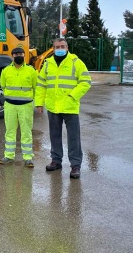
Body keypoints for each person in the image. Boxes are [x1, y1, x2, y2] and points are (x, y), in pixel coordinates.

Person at [35, 38, 92, 179]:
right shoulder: (48, 64)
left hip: (70, 106)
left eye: (62, 46)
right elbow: (41, 84)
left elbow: (86, 82)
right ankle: (56, 161)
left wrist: (73, 96)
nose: (59, 49)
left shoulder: (76, 62)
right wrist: (39, 103)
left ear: (67, 47)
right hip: (53, 106)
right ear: (53, 49)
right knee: (54, 136)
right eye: (57, 47)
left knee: (74, 138)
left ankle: (75, 166)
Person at [0, 46, 37, 167]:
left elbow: (36, 88)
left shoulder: (31, 71)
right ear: (12, 56)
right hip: (10, 106)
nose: (18, 56)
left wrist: (35, 104)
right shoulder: (6, 71)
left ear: (24, 55)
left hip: (25, 106)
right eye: (16, 55)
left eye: (21, 54)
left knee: (26, 132)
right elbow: (3, 86)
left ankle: (28, 158)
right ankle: (9, 156)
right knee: (10, 131)